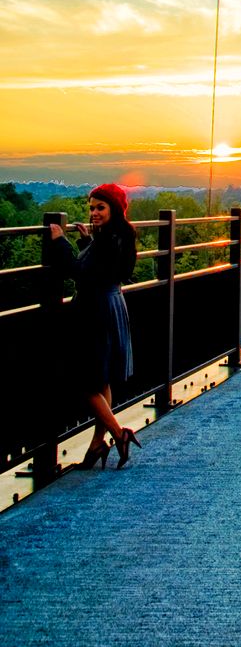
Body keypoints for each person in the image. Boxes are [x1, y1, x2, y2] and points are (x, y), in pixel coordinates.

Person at [49, 183, 141, 469]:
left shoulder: (107, 240)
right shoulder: (119, 237)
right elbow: (105, 269)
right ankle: (96, 445)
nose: (94, 213)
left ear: (114, 208)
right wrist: (87, 243)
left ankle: (117, 433)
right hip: (112, 305)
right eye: (91, 208)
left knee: (83, 381)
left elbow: (78, 272)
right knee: (101, 380)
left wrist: (60, 241)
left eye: (100, 207)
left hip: (95, 311)